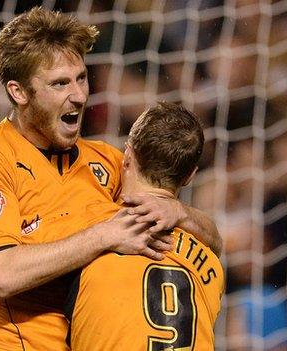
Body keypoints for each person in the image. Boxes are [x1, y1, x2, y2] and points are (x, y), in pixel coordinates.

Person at [0, 7, 220, 351]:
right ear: (19, 92)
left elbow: (211, 242)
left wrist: (183, 213)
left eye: (81, 78)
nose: (78, 95)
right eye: (60, 83)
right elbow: (3, 275)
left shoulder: (107, 160)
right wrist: (102, 236)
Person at [64, 102, 224, 350]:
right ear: (190, 176)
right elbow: (215, 241)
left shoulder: (85, 228)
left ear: (127, 157)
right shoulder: (211, 265)